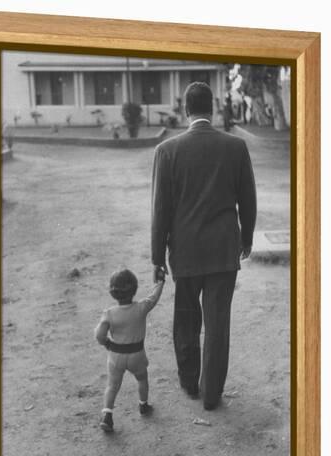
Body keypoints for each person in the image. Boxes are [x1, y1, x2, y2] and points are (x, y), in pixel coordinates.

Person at [151, 81, 257, 411]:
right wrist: (247, 238)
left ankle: (189, 382)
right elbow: (248, 200)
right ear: (212, 108)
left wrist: (157, 256)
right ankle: (211, 393)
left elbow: (161, 210)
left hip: (184, 252)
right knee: (217, 324)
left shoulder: (167, 150)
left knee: (185, 319)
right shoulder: (235, 147)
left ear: (186, 109)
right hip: (224, 252)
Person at [94, 268, 165, 432]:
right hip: (136, 356)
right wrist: (160, 282)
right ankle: (143, 405)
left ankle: (107, 415)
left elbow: (99, 335)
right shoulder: (141, 308)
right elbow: (154, 297)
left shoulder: (109, 314)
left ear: (112, 292)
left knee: (112, 385)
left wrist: (106, 343)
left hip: (116, 356)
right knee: (142, 379)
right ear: (134, 289)